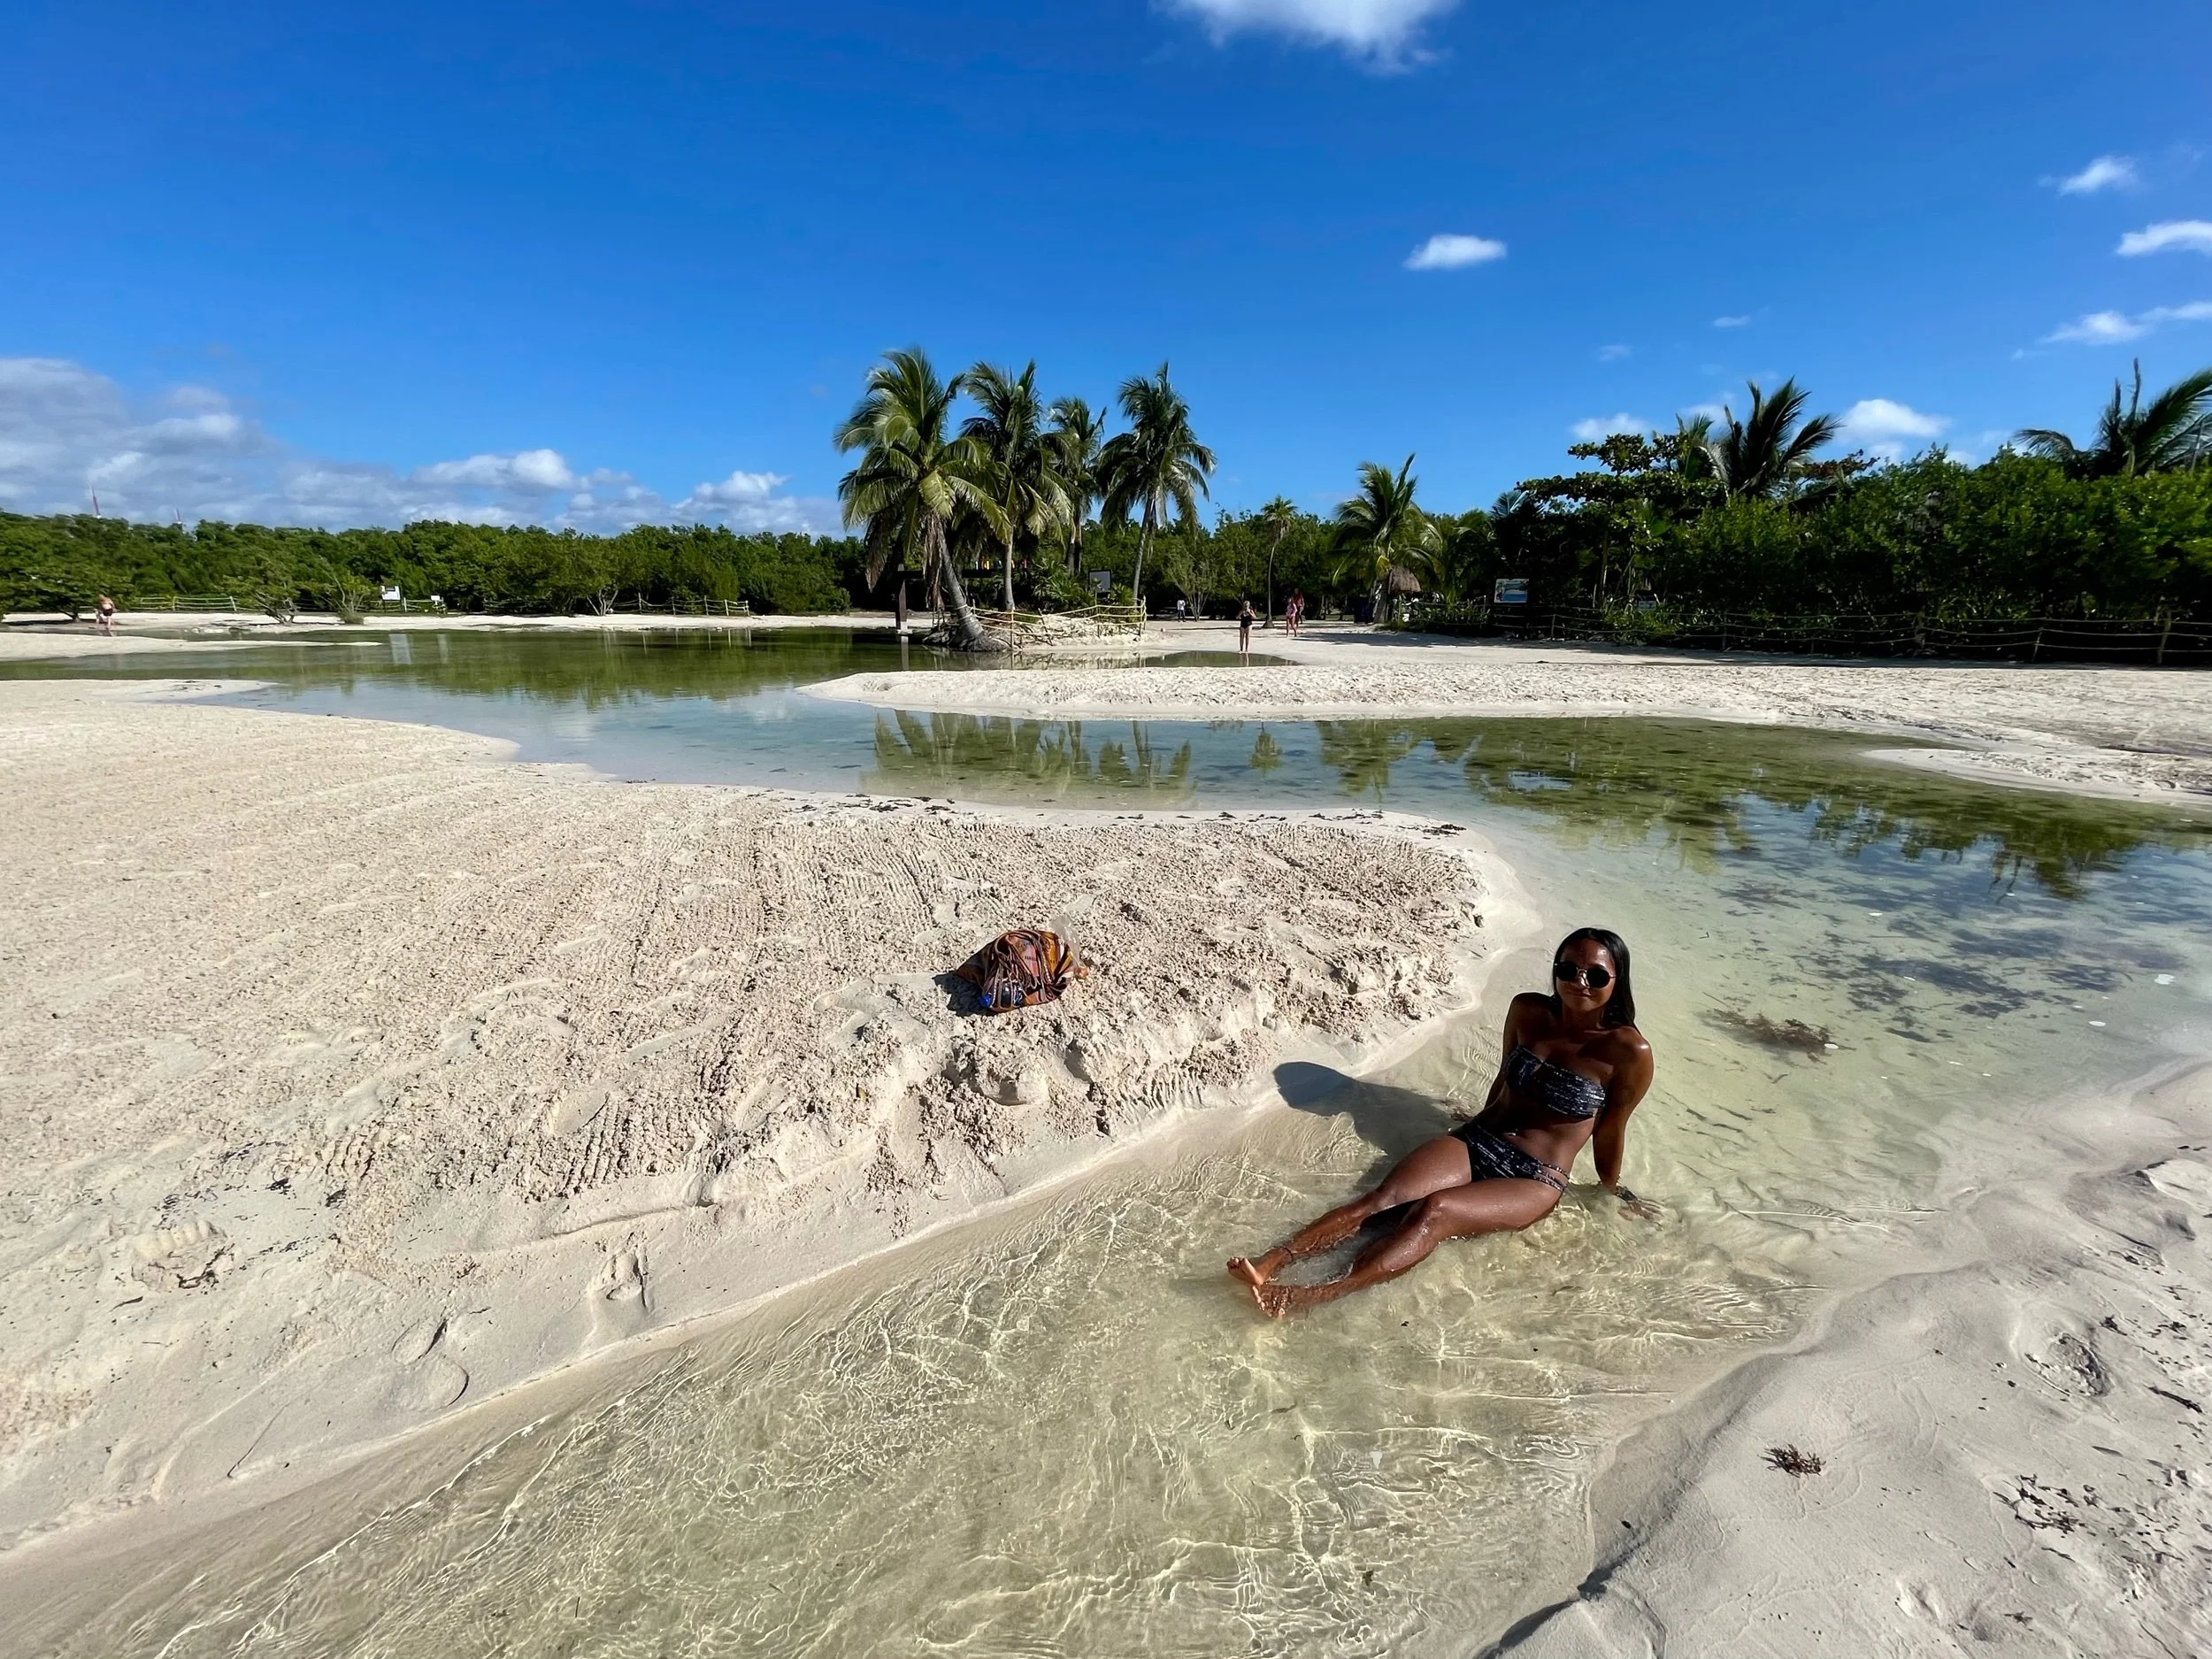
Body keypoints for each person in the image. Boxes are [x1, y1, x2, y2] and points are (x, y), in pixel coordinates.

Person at [1227, 927, 1655, 1316]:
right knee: (1382, 1200)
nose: (1579, 981)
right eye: (1568, 969)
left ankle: (1314, 1295)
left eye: (1596, 975)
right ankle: (1270, 1262)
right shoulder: (1528, 1010)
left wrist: (1612, 1190)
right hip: (1480, 1138)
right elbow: (1505, 1076)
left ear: (1617, 982)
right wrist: (1480, 1117)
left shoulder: (1629, 1052)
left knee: (1436, 1210)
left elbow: (1611, 1129)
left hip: (1535, 1176)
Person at [1237, 598, 1256, 662]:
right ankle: (1241, 649)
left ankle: (1247, 649)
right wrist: (1241, 612)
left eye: (1247, 605)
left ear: (1248, 606)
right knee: (1241, 637)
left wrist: (1249, 612)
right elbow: (1237, 617)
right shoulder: (1242, 611)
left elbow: (1254, 617)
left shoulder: (1251, 610)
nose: (1246, 607)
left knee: (1247, 637)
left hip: (1249, 624)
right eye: (1245, 605)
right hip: (1242, 625)